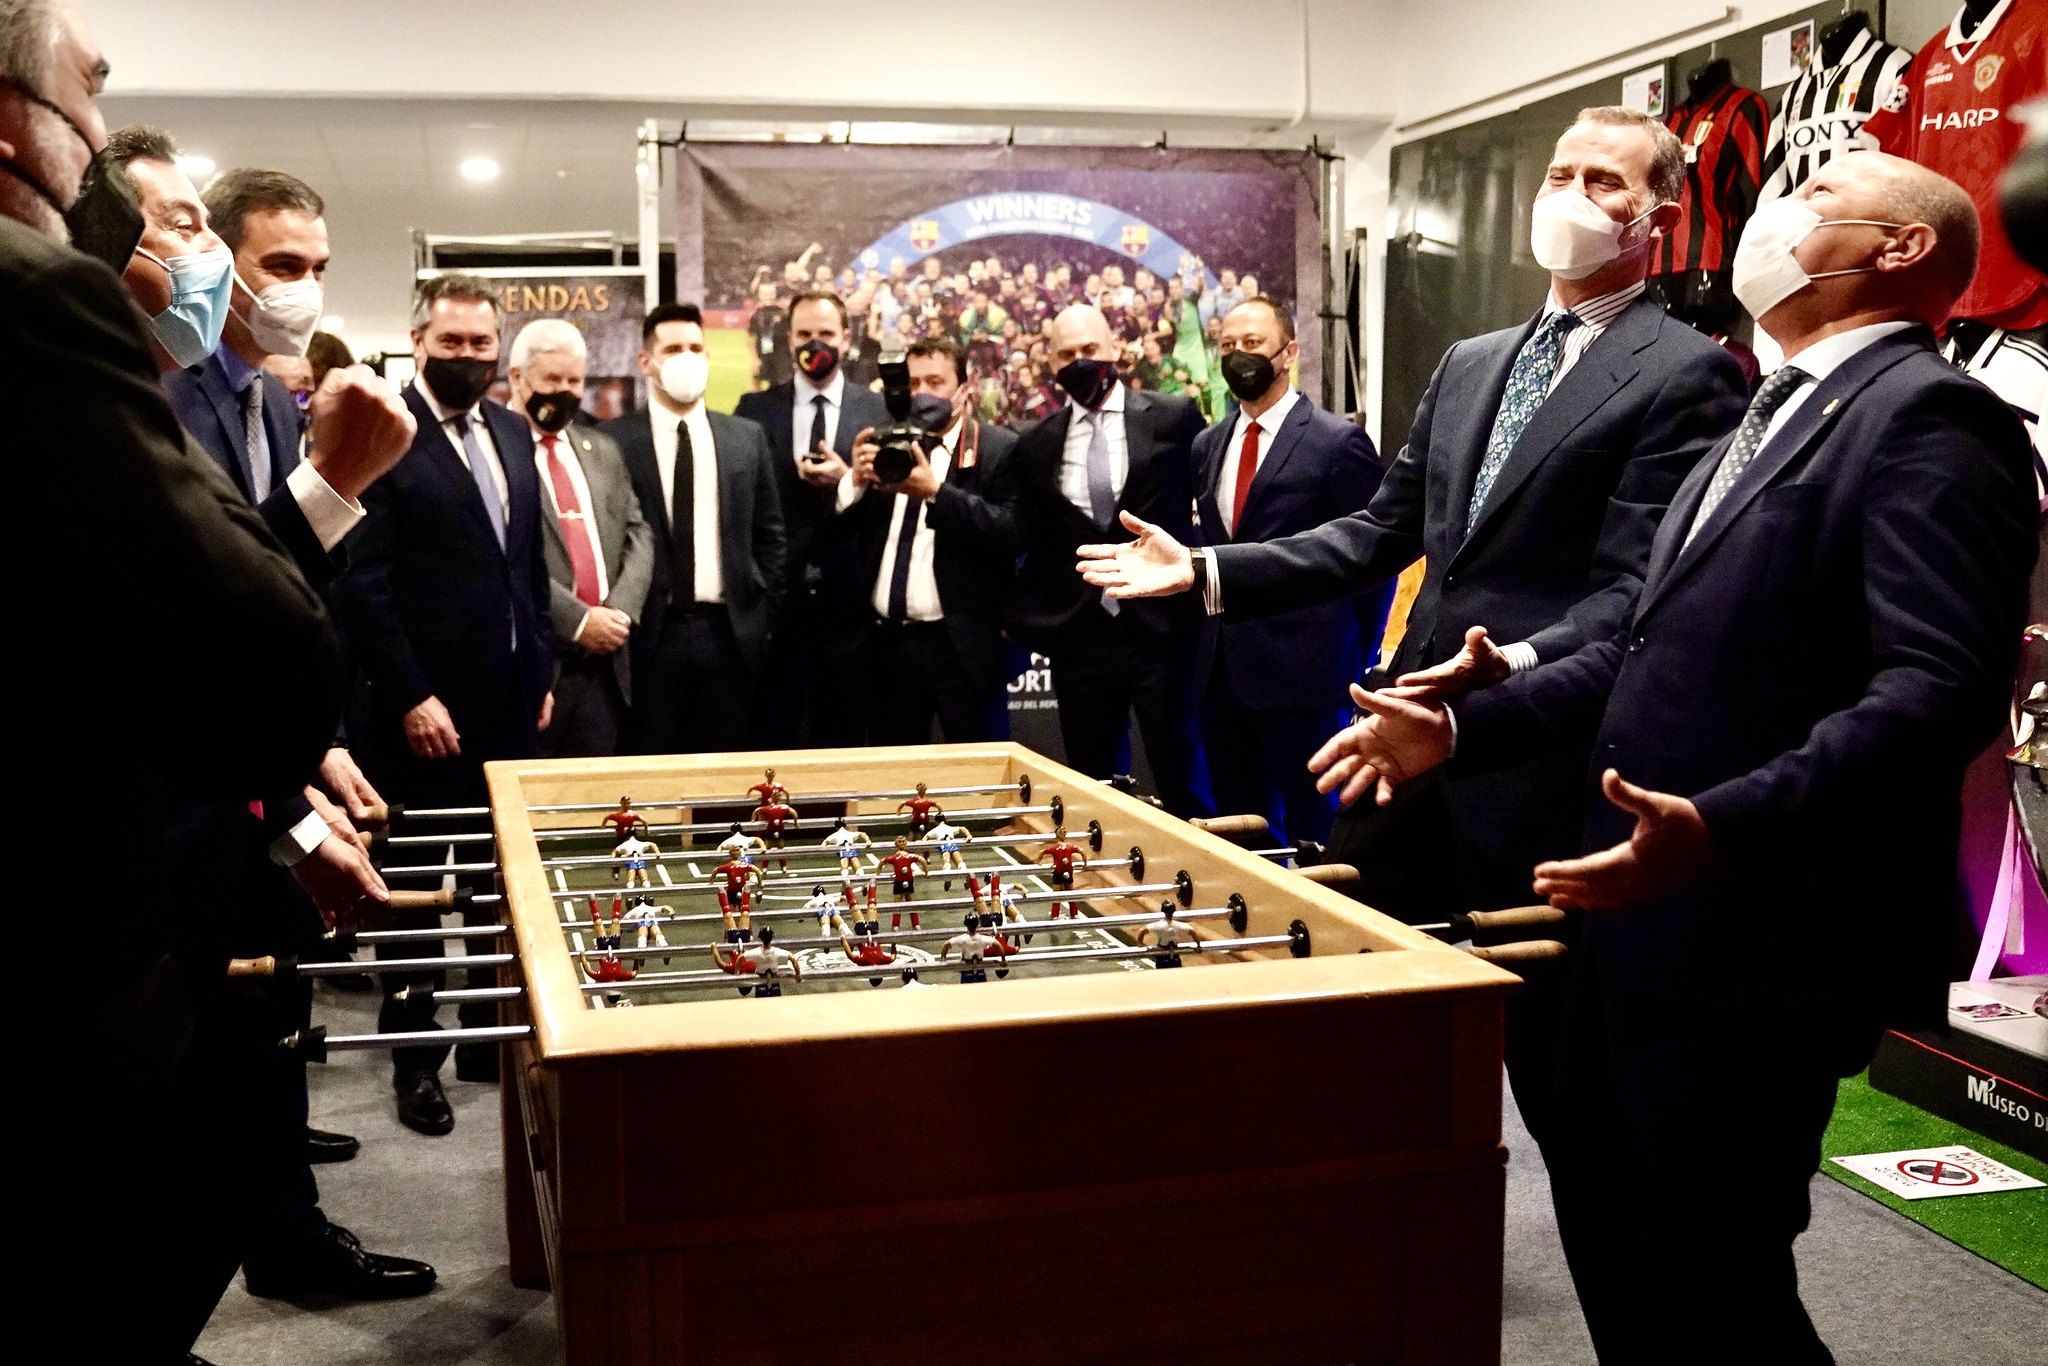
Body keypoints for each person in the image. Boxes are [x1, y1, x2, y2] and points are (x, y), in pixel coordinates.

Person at [1315, 151, 2036, 1364]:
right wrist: (1461, 727)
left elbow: (1934, 692)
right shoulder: (1766, 409)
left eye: (1811, 198)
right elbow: (1639, 649)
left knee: (1712, 1276)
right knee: (1618, 1238)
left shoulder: (1931, 415)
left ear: (1899, 249)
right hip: (1645, 912)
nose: (1767, 217)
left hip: (1764, 926)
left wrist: (1721, 825)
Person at [1079, 113, 1749, 1111]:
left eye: (1602, 181)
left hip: (1536, 751)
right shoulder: (1471, 360)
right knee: (1352, 999)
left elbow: (1633, 591)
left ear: (1658, 214)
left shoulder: (1686, 369)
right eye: (1558, 172)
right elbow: (1374, 532)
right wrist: (1207, 571)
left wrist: (1507, 667)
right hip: (1397, 743)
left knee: (1550, 1061)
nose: (1570, 195)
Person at [1, 4, 353, 1356]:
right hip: (94, 881)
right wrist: (333, 492)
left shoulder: (238, 381)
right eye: (85, 91)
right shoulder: (61, 320)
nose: (217, 260)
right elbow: (237, 640)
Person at [110, 130, 434, 1316]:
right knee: (187, 1073)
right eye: (278, 260)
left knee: (265, 1024)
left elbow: (271, 625)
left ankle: (285, 1238)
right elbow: (212, 619)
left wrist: (309, 758)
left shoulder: (258, 389)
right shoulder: (152, 388)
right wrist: (333, 487)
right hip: (171, 806)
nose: (302, 286)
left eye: (319, 263)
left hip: (255, 772)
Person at [334, 272, 556, 1132]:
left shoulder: (511, 428)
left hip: (509, 709)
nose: (468, 357)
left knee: (505, 890)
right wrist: (412, 693)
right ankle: (415, 1062)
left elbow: (526, 566)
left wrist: (539, 672)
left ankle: (484, 1038)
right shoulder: (385, 430)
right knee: (419, 895)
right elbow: (365, 583)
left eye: (481, 343)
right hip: (420, 715)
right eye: (452, 342)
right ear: (419, 340)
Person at [1191, 296, 1388, 845]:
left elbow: (1375, 559)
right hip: (1221, 676)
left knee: (1316, 832)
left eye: (1252, 344)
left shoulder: (1336, 442)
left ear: (1289, 351)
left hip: (1307, 675)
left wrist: (1360, 656)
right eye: (1227, 346)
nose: (1238, 356)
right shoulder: (1208, 445)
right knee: (1238, 833)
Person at [1006, 303, 1207, 815]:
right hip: (1082, 639)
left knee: (1186, 784)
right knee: (1092, 794)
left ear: (1114, 348)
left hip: (1163, 631)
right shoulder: (1036, 445)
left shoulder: (1173, 416)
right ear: (1050, 363)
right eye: (1067, 354)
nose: (1080, 361)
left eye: (1090, 350)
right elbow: (1028, 535)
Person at [600, 303, 784, 753]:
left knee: (726, 781)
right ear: (647, 361)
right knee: (648, 769)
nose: (687, 358)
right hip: (647, 635)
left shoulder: (746, 437)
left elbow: (770, 533)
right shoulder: (613, 441)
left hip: (728, 634)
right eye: (673, 348)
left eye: (696, 348)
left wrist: (759, 599)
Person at [841, 336, 1020, 743]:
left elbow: (1010, 531)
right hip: (886, 644)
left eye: (935, 382)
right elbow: (843, 537)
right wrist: (853, 482)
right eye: (913, 382)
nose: (922, 393)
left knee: (978, 774)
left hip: (961, 646)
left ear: (963, 388)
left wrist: (937, 492)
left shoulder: (999, 448)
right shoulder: (885, 440)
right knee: (892, 774)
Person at [735, 290, 889, 747]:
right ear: (787, 340)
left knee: (845, 738)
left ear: (846, 339)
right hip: (779, 603)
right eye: (804, 334)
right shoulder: (753, 411)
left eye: (825, 334)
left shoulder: (877, 412)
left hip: (854, 603)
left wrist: (850, 481)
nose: (814, 344)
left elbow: (897, 508)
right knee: (773, 733)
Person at [509, 318, 652, 757]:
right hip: (537, 669)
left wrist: (618, 613)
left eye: (575, 380)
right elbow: (502, 558)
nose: (565, 391)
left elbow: (638, 532)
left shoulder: (602, 449)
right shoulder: (500, 452)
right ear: (517, 378)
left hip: (606, 669)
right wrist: (579, 621)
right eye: (552, 379)